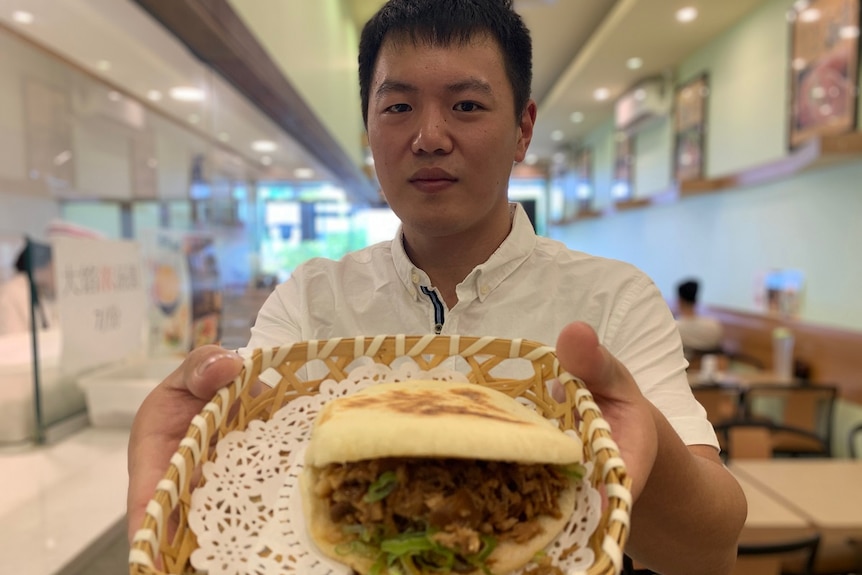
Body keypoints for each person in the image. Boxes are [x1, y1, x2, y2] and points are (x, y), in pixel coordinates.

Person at [127, 1, 746, 573]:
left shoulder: (614, 297)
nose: (428, 137)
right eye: (397, 107)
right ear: (369, 129)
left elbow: (711, 551)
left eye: (467, 106)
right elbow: (256, 490)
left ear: (524, 128)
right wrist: (187, 485)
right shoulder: (311, 299)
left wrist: (644, 449)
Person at [0, 240, 56, 336]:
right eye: (54, 264)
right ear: (42, 265)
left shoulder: (36, 291)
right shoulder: (13, 293)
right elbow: (15, 343)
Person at [675, 278, 725, 359]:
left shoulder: (676, 327)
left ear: (679, 301)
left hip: (686, 367)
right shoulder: (714, 325)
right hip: (710, 367)